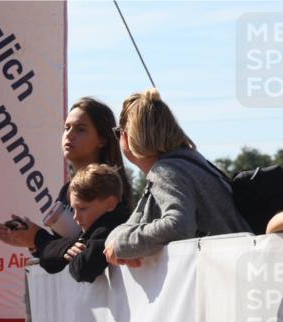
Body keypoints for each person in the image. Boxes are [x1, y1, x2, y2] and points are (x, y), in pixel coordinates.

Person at [104, 89, 250, 267]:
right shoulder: (187, 164)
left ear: (127, 136)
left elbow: (179, 225)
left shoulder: (166, 171)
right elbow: (127, 228)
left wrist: (122, 246)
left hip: (224, 273)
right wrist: (120, 245)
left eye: (118, 133)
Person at [0, 97, 133, 254]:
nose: (69, 135)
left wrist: (38, 238)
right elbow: (64, 250)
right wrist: (29, 240)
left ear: (102, 140)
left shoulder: (109, 186)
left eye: (81, 129)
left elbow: (90, 249)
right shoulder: (66, 190)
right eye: (67, 127)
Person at [37, 164, 129, 283]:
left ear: (110, 204)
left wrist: (73, 256)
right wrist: (68, 248)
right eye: (73, 209)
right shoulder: (94, 228)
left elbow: (83, 269)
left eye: (82, 209)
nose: (75, 216)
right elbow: (47, 261)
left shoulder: (109, 228)